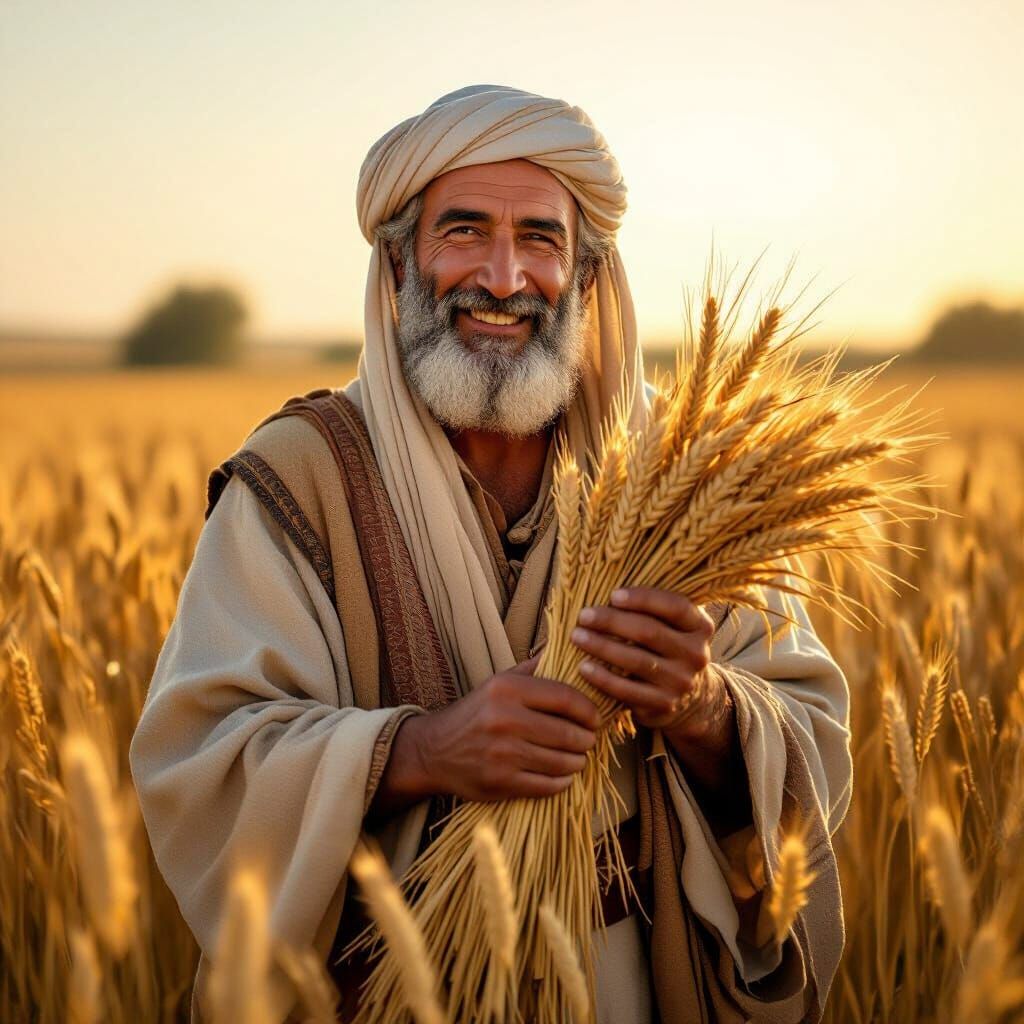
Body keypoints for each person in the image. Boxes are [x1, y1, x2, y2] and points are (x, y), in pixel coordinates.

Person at [130, 85, 851, 1023]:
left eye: (541, 241)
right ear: (398, 266)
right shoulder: (303, 475)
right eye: (463, 231)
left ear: (588, 276)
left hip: (626, 983)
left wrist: (706, 708)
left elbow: (813, 737)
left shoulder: (686, 481)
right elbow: (203, 758)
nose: (505, 279)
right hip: (379, 991)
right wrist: (421, 751)